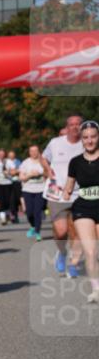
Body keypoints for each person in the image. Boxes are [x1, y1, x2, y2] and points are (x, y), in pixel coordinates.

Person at [62, 119, 99, 304]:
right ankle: (96, 290)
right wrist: (66, 192)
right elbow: (68, 187)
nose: (90, 141)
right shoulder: (75, 162)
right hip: (83, 208)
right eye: (86, 138)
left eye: (93, 137)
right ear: (81, 140)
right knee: (90, 251)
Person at [44, 114, 84, 277]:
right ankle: (62, 252)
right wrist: (48, 171)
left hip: (80, 194)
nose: (74, 127)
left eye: (78, 124)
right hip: (57, 194)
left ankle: (73, 262)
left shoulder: (87, 143)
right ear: (66, 127)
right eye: (71, 124)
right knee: (61, 231)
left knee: (76, 232)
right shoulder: (55, 143)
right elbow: (44, 158)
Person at [19, 145, 52, 241]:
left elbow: (49, 174)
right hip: (28, 190)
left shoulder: (43, 162)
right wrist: (30, 175)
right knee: (29, 212)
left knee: (37, 212)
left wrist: (41, 173)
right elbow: (21, 177)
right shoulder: (25, 163)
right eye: (31, 151)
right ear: (29, 152)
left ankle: (38, 232)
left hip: (41, 189)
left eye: (35, 151)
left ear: (39, 152)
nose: (33, 153)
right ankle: (33, 226)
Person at [0, 148, 17, 225]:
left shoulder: (9, 161)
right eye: (0, 154)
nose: (1, 155)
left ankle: (8, 214)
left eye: (3, 154)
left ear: (5, 154)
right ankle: (3, 219)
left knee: (8, 201)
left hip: (8, 183)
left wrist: (8, 172)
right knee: (0, 201)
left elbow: (14, 171)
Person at [7, 149, 22, 223]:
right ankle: (11, 215)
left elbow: (20, 170)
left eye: (12, 155)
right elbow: (6, 171)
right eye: (10, 155)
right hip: (8, 182)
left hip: (17, 182)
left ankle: (15, 215)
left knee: (16, 199)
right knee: (10, 199)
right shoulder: (6, 162)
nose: (11, 156)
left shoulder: (18, 161)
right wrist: (12, 172)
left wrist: (14, 171)